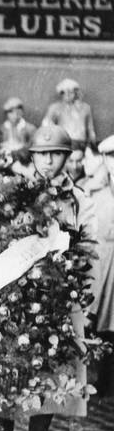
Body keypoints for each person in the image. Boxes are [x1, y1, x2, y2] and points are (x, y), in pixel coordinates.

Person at [0, 125, 95, 431]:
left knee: (51, 371)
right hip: (13, 293)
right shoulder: (14, 191)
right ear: (31, 156)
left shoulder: (75, 197)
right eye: (42, 153)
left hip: (56, 295)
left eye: (56, 153)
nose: (48, 160)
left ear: (67, 157)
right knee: (6, 369)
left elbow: (83, 245)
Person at [89, 134, 114, 398]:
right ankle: (94, 380)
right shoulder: (94, 190)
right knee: (95, 321)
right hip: (99, 264)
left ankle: (107, 381)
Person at [44, 79, 96, 151]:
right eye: (64, 93)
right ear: (61, 94)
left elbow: (90, 129)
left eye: (71, 92)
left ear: (75, 93)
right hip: (63, 143)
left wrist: (91, 145)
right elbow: (46, 125)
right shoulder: (55, 107)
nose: (68, 95)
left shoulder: (85, 108)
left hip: (81, 144)